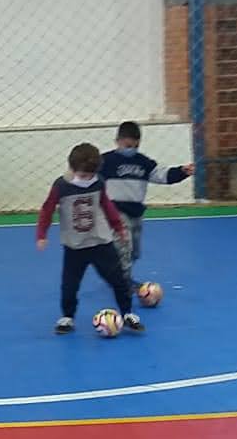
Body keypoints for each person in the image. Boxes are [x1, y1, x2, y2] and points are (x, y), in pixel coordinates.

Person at [37, 143, 144, 335]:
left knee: (118, 279)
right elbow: (47, 209)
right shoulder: (61, 186)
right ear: (72, 168)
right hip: (75, 246)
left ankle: (127, 313)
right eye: (83, 175)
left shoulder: (98, 182)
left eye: (91, 175)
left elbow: (107, 205)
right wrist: (42, 234)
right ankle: (67, 317)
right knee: (69, 285)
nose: (87, 179)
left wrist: (118, 227)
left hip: (101, 242)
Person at [100, 121, 194, 285]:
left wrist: (181, 172)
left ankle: (116, 271)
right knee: (124, 245)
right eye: (127, 145)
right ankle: (123, 282)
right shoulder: (105, 161)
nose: (130, 148)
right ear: (117, 141)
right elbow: (88, 174)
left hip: (136, 212)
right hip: (116, 212)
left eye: (134, 145)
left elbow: (162, 175)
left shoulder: (143, 162)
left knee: (134, 251)